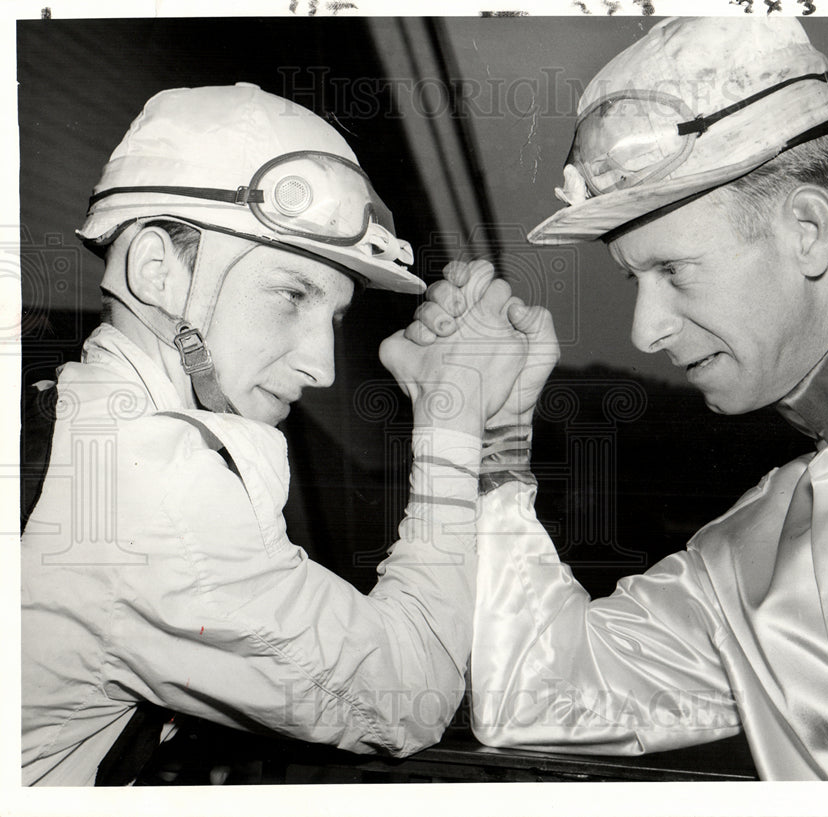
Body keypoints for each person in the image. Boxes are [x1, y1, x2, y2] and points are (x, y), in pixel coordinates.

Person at [408, 17, 828, 780]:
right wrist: (493, 434)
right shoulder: (748, 553)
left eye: (674, 269)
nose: (645, 330)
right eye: (632, 280)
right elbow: (539, 694)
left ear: (807, 229)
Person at [20, 83, 535, 786]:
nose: (321, 366)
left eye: (334, 316)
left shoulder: (74, 420)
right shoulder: (156, 493)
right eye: (292, 294)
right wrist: (452, 416)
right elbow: (407, 697)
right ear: (157, 272)